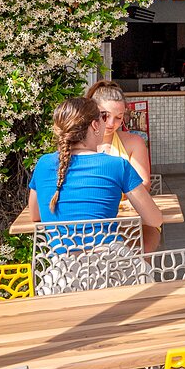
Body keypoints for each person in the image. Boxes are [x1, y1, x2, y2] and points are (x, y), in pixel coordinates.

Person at [28, 97, 164, 252]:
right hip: (111, 268)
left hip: (62, 271)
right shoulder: (116, 165)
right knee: (151, 233)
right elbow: (154, 220)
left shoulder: (43, 164)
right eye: (103, 118)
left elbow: (35, 215)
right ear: (95, 125)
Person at [86, 80, 151, 183]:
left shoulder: (134, 143)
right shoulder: (76, 142)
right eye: (105, 115)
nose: (111, 123)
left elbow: (144, 184)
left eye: (118, 117)